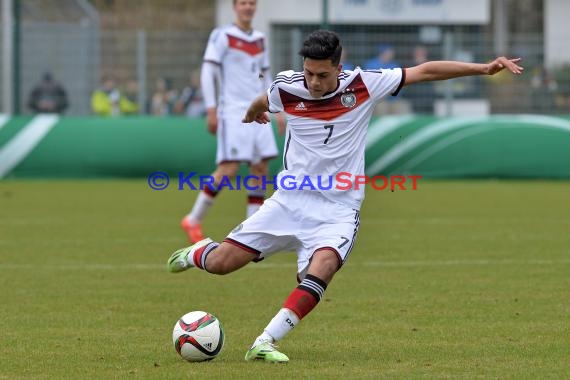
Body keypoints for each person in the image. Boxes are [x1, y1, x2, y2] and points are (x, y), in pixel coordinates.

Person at [166, 30, 524, 363]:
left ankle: (264, 342)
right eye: (309, 73)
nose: (314, 82)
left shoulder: (365, 85)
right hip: (289, 202)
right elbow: (265, 99)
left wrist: (483, 68)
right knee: (222, 264)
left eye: (322, 75)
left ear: (340, 66)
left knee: (321, 270)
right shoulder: (288, 87)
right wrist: (253, 111)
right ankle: (196, 252)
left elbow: (425, 71)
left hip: (338, 209)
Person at [180, 0, 285, 243]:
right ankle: (193, 219)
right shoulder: (222, 35)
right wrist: (211, 109)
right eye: (243, 3)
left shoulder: (260, 38)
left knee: (260, 167)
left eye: (251, 3)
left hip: (259, 109)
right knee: (229, 168)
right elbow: (208, 72)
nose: (248, 7)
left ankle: (252, 232)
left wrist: (277, 108)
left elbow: (265, 75)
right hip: (233, 112)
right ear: (234, 7)